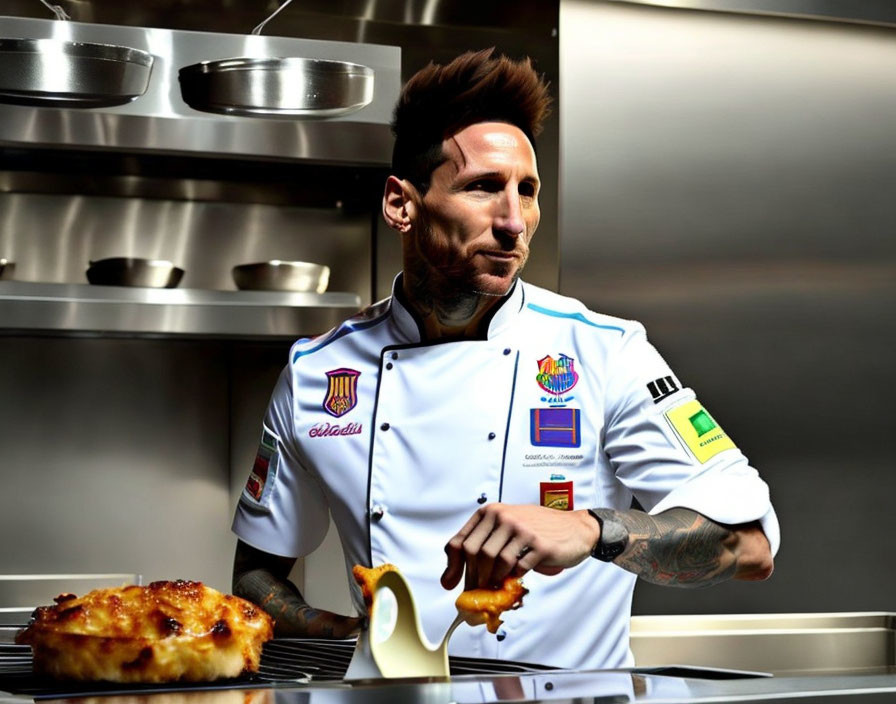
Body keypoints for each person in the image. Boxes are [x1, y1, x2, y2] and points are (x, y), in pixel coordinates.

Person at [230, 48, 779, 671]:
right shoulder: (317, 374)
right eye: (483, 187)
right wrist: (352, 633)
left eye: (528, 190)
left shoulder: (605, 352)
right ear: (400, 205)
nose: (514, 221)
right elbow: (255, 572)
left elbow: (749, 548)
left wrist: (591, 531)